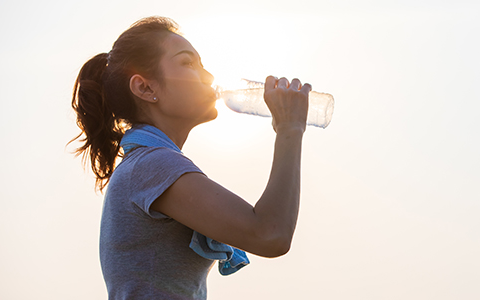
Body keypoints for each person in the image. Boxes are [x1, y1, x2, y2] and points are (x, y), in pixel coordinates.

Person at [70, 16, 311, 300]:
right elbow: (270, 234)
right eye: (187, 63)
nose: (208, 76)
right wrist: (289, 129)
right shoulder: (152, 165)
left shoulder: (146, 163)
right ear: (145, 88)